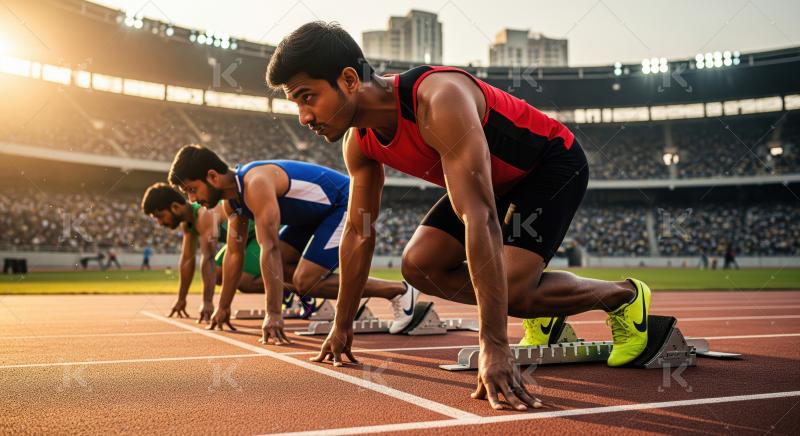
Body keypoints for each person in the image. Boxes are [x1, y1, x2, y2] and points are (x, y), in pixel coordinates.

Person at [266, 22, 653, 412]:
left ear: (349, 79)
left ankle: (624, 295)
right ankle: (544, 314)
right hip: (493, 185)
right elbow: (358, 231)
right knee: (419, 266)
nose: (303, 116)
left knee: (513, 287)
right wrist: (343, 323)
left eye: (306, 97)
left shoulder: (438, 99)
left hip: (549, 165)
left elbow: (479, 216)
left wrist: (494, 344)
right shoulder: (359, 143)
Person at [167, 146, 419, 343]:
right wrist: (223, 307)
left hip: (344, 203)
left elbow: (270, 248)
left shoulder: (255, 183)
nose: (193, 200)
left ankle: (397, 290)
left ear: (212, 176)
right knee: (293, 272)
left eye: (192, 190)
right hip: (309, 218)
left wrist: (273, 314)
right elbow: (235, 255)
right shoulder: (232, 204)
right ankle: (327, 297)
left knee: (304, 281)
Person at [142, 183, 265, 322]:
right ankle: (286, 289)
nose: (160, 222)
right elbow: (187, 259)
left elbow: (209, 258)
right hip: (243, 240)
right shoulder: (188, 224)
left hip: (258, 233)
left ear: (175, 207)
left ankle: (288, 291)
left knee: (242, 280)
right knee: (219, 274)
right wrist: (181, 299)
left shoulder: (204, 214)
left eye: (160, 216)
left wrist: (207, 302)